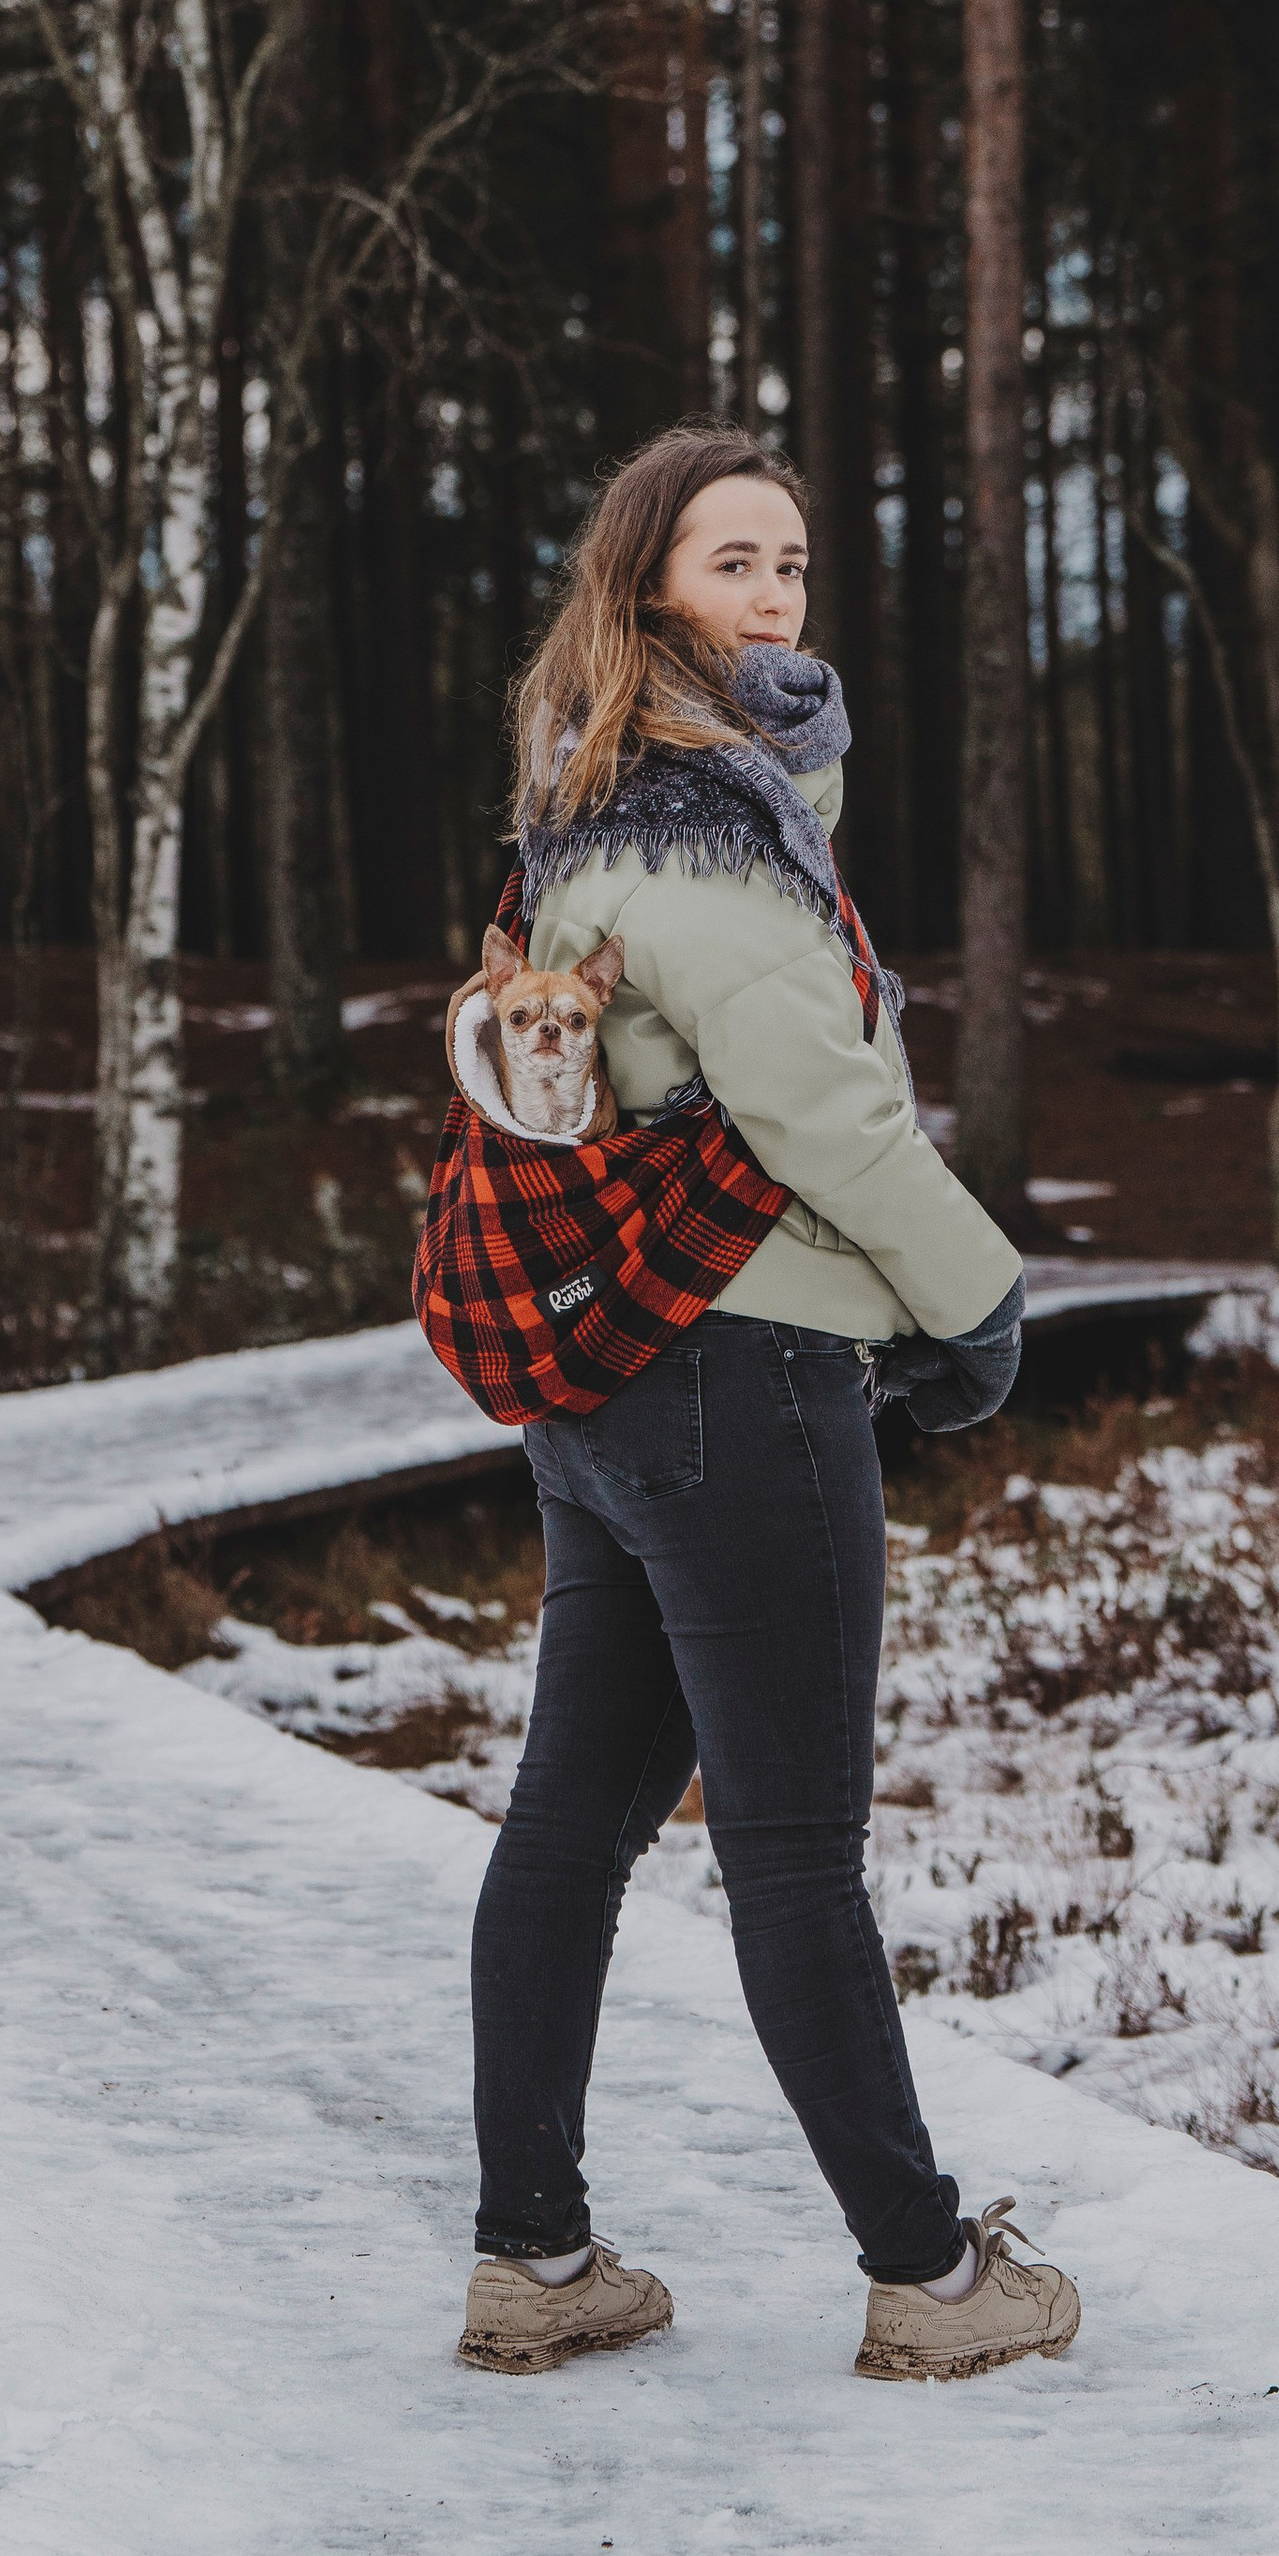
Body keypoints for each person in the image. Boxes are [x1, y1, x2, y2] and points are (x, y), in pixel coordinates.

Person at [457, 423, 1082, 2387]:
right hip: (741, 1376)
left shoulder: (585, 814)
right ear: (649, 589)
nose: (773, 596)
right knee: (793, 1843)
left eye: (793, 564)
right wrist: (979, 1301)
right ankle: (922, 2267)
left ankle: (532, 2257)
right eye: (733, 562)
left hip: (611, 1386)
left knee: (569, 1825)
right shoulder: (703, 848)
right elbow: (831, 1111)